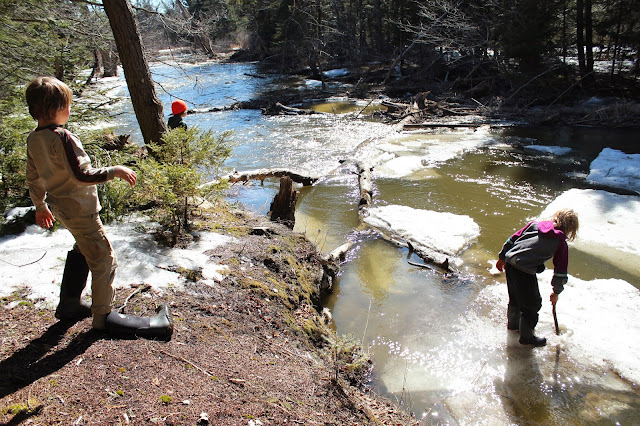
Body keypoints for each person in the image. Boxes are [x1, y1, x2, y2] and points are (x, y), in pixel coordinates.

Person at [25, 76, 173, 340]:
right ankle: (103, 318)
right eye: (68, 105)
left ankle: (70, 304)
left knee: (83, 246)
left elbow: (33, 176)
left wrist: (40, 205)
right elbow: (81, 174)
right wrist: (114, 170)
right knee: (104, 260)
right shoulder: (62, 137)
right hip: (79, 208)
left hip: (60, 207)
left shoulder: (34, 138)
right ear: (56, 109)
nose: (69, 109)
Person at [495, 209, 579, 347]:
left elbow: (512, 239)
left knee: (515, 299)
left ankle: (513, 326)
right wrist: (556, 292)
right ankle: (527, 337)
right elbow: (560, 272)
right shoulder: (560, 243)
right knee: (533, 304)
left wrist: (502, 257)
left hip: (510, 262)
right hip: (524, 269)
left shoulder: (534, 225)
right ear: (571, 230)